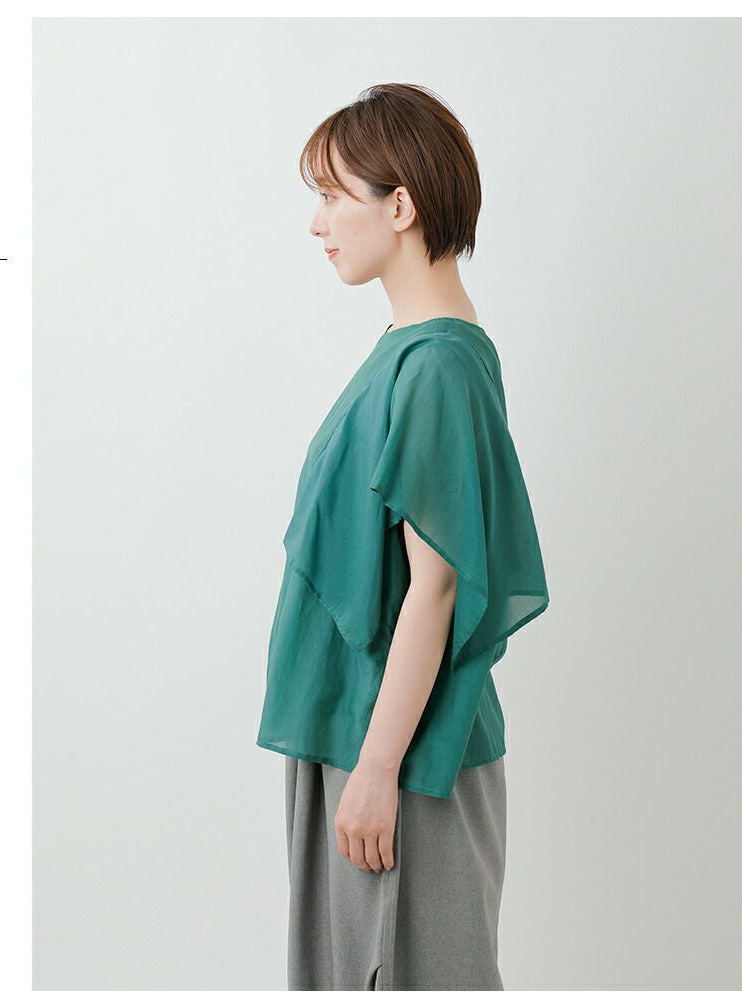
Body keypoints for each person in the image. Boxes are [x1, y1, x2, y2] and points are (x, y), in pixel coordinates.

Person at [256, 82, 550, 991]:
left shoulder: (437, 367)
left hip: (402, 757)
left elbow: (438, 584)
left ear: (400, 205)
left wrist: (377, 770)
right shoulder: (412, 349)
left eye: (333, 194)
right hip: (361, 736)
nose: (317, 222)